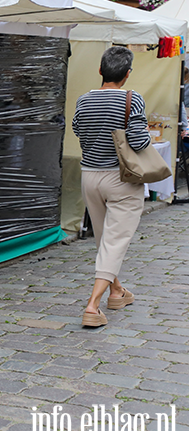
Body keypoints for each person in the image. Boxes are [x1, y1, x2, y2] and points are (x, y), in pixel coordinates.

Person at [72, 46, 150, 327]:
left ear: (100, 71)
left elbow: (78, 130)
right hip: (121, 179)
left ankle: (117, 291)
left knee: (105, 239)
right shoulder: (133, 99)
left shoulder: (84, 100)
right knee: (115, 242)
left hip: (90, 176)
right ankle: (92, 306)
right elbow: (140, 141)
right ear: (127, 74)